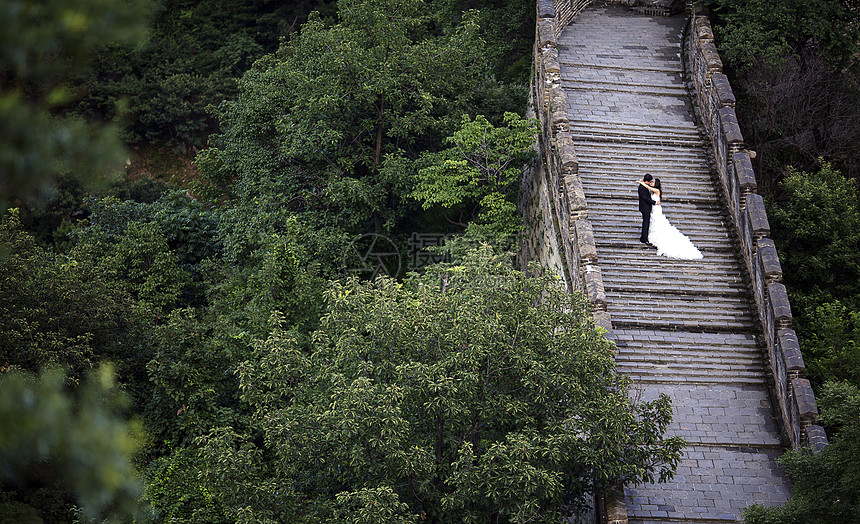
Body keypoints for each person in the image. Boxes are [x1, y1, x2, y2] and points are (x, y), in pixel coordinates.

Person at [637, 178, 703, 260]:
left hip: (656, 210)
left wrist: (641, 182)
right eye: (651, 181)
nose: (651, 183)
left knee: (657, 222)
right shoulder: (654, 191)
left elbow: (648, 188)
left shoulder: (656, 190)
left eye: (653, 182)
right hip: (653, 209)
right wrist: (643, 181)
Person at [638, 173, 656, 244]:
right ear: (648, 181)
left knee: (646, 222)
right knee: (646, 223)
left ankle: (644, 237)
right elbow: (645, 198)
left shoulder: (644, 185)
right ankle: (644, 238)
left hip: (646, 207)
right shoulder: (642, 187)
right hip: (645, 207)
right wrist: (653, 202)